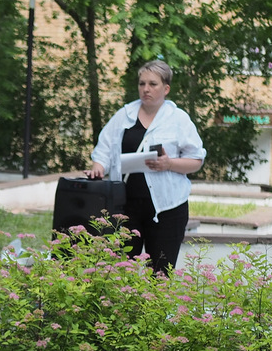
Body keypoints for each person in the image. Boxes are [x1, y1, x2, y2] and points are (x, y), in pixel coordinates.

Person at [87, 60, 205, 273]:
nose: (146, 89)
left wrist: (169, 163)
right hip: (125, 207)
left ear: (166, 88)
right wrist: (98, 167)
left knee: (160, 272)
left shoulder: (179, 119)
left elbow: (196, 161)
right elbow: (103, 149)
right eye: (142, 84)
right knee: (121, 270)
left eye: (153, 84)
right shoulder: (124, 115)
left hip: (168, 207)